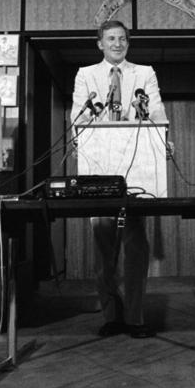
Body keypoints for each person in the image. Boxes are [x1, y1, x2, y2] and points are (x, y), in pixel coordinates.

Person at [69, 20, 167, 339]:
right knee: (103, 247)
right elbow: (78, 117)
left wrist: (163, 136)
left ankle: (135, 317)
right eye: (110, 38)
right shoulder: (86, 74)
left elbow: (156, 112)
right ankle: (112, 315)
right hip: (99, 166)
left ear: (128, 43)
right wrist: (80, 133)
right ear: (99, 43)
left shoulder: (144, 72)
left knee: (135, 245)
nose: (117, 43)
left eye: (122, 39)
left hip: (136, 169)